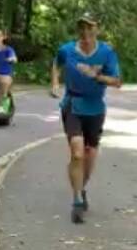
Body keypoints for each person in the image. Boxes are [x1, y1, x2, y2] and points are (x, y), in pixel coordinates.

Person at [50, 13, 122, 224]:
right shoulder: (67, 50)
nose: (86, 32)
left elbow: (117, 81)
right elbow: (56, 63)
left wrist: (97, 76)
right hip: (72, 104)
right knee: (77, 152)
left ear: (96, 29)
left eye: (90, 28)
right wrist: (55, 82)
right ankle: (77, 200)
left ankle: (81, 187)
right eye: (82, 27)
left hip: (95, 108)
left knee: (89, 156)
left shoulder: (107, 53)